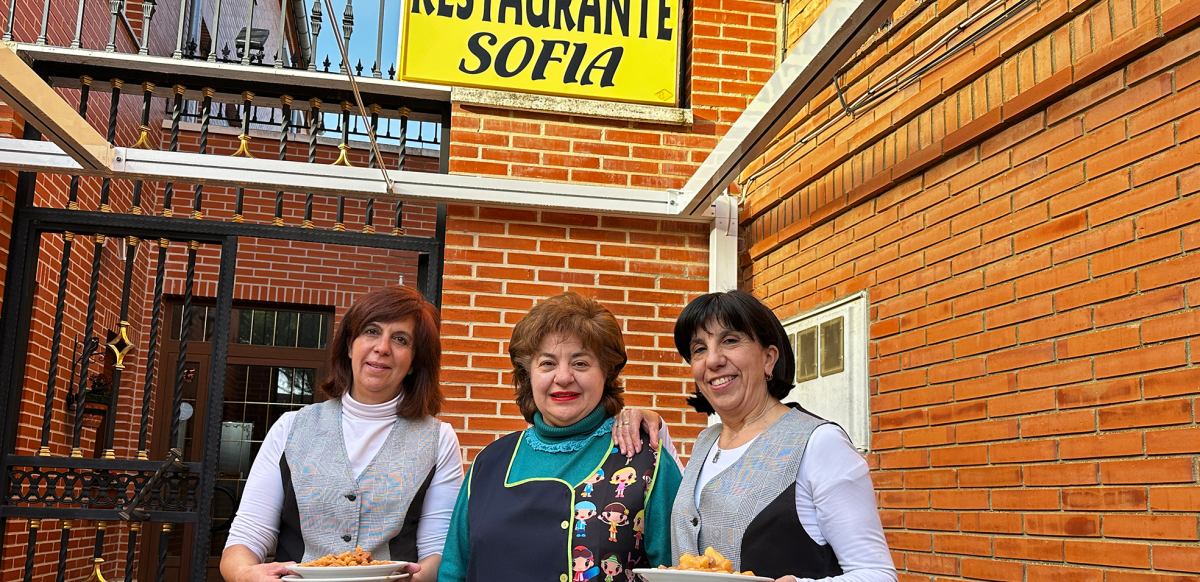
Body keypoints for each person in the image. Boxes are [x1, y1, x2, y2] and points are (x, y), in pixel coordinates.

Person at [620, 290, 897, 582]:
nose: (713, 360)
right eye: (699, 348)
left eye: (729, 341)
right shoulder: (706, 442)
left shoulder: (819, 443)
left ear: (769, 358)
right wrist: (651, 424)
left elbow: (877, 574)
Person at [221, 286, 463, 582]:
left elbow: (439, 549)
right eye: (371, 331)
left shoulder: (439, 439)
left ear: (414, 363)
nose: (383, 347)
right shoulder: (290, 427)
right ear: (350, 346)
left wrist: (414, 578)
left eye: (401, 339)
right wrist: (246, 575)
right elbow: (247, 536)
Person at [438, 292, 683, 582]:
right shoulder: (488, 463)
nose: (564, 376)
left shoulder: (645, 460)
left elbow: (680, 572)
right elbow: (454, 573)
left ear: (606, 372)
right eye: (547, 363)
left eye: (580, 363)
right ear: (527, 373)